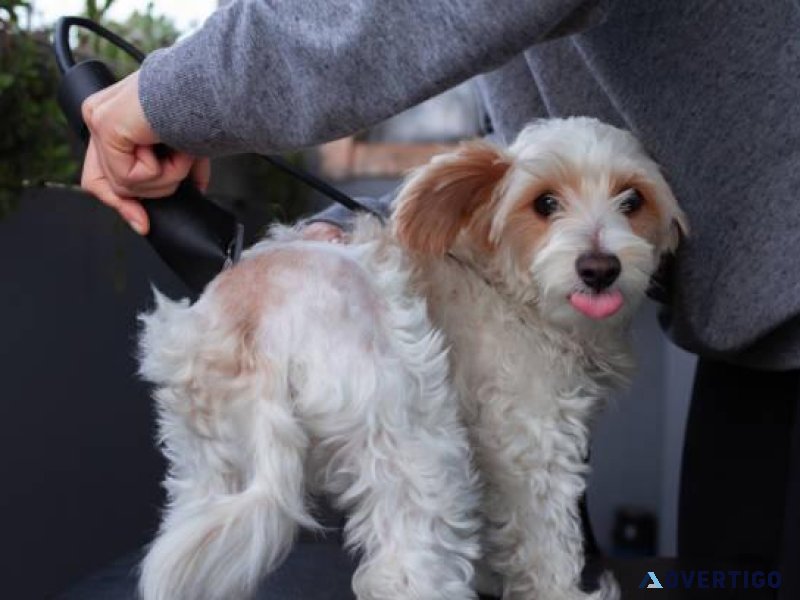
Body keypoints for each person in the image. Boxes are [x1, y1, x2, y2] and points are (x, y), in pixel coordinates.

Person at [76, 1, 800, 598]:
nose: (599, 249)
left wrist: (179, 97)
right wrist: (334, 225)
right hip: (761, 331)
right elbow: (504, 162)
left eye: (631, 203)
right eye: (551, 204)